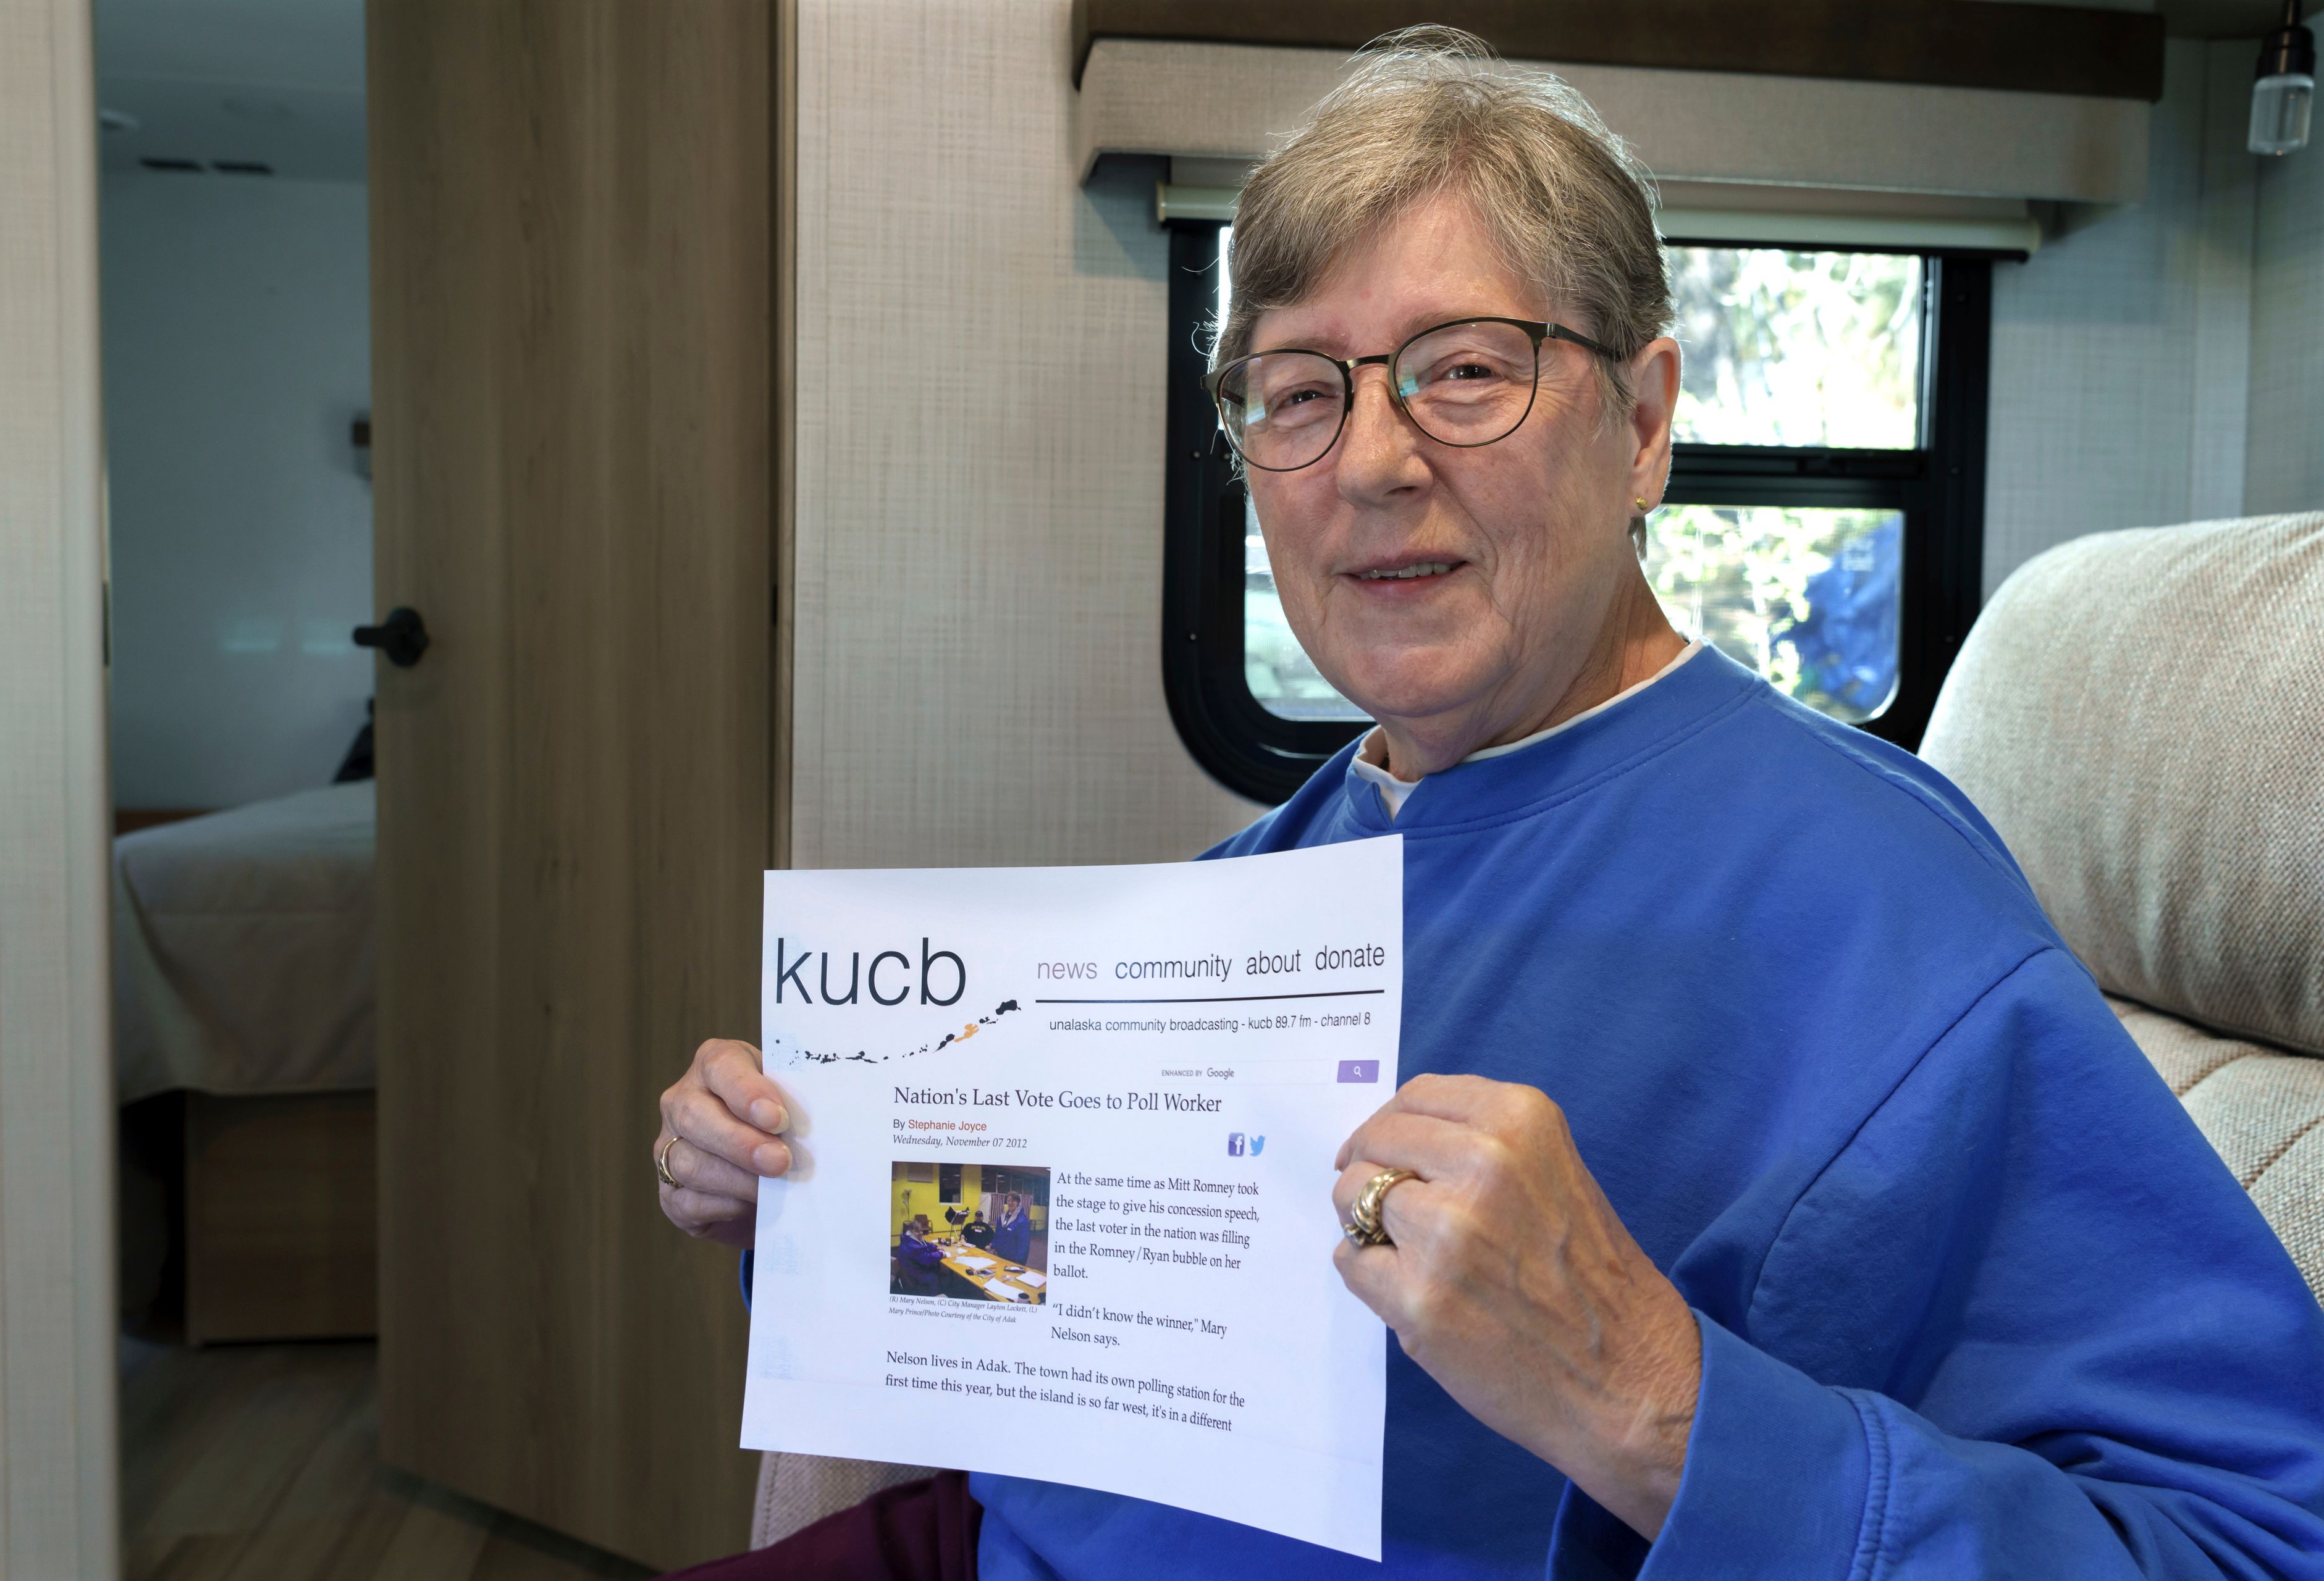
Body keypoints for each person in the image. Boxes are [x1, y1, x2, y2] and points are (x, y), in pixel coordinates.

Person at [652, 28, 2324, 1579]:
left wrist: (1657, 1405)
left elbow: (2255, 1538)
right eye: (1301, 391)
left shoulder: (1891, 928)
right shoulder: (1274, 872)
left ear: (1648, 421)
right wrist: (810, 1199)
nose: (1371, 461)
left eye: (1465, 371)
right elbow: (1082, 1319)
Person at [892, 1218, 944, 1298]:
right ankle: (933, 1297)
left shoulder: (909, 1238)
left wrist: (936, 1248)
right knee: (934, 1277)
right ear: (911, 1231)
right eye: (918, 1231)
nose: (921, 1233)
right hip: (913, 1273)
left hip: (910, 1268)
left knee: (936, 1267)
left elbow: (925, 1245)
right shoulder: (912, 1245)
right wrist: (941, 1254)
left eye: (921, 1231)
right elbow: (926, 1259)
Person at [988, 1195, 1030, 1267]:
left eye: (1013, 1201)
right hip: (1000, 1255)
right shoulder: (1001, 1218)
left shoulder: (1022, 1220)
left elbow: (1024, 1242)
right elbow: (998, 1235)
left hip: (1014, 1259)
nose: (1010, 1203)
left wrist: (1020, 1260)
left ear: (1018, 1203)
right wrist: (995, 1246)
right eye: (1009, 1201)